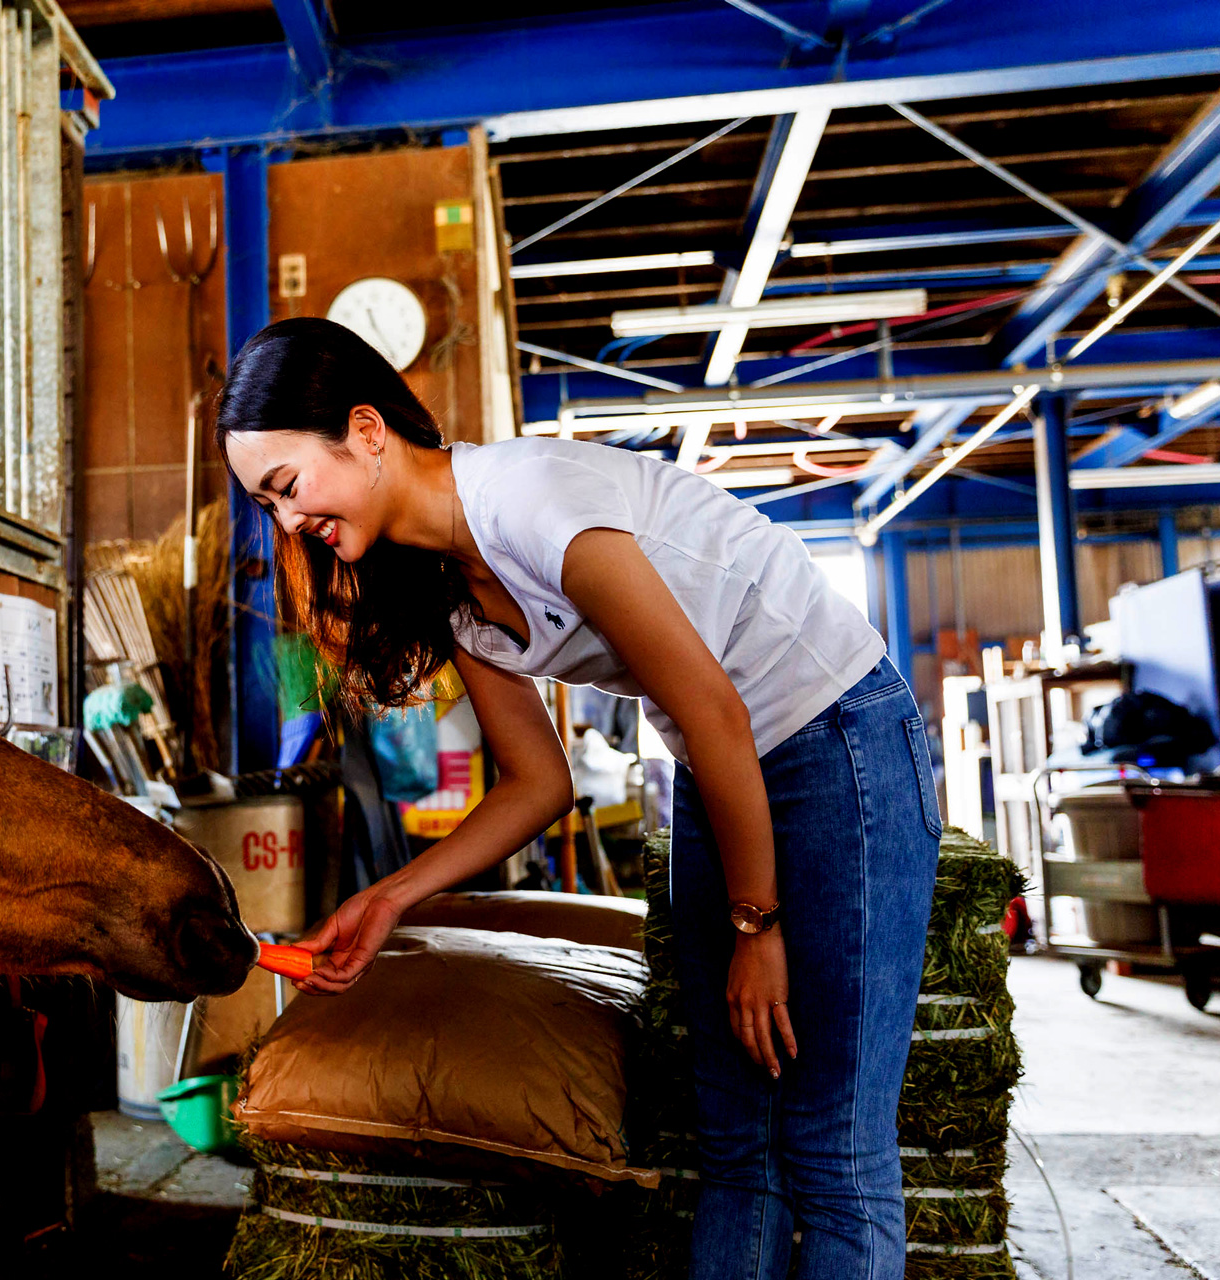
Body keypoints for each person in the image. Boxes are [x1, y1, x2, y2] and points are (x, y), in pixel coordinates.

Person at [218, 316, 942, 1280]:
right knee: (733, 1145)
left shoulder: (533, 502)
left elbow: (717, 710)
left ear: (366, 430)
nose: (286, 522)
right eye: (266, 504)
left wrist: (755, 926)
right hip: (715, 770)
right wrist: (391, 901)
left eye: (286, 487)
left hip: (835, 735)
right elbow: (539, 781)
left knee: (832, 1147)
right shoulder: (452, 588)